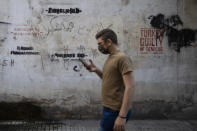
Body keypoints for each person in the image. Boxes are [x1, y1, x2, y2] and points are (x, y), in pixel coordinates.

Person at [83, 28, 135, 131]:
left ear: (109, 42)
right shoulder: (111, 57)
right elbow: (108, 79)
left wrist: (122, 116)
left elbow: (130, 87)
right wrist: (96, 70)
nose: (99, 47)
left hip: (115, 110)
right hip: (109, 108)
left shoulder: (122, 58)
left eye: (100, 43)